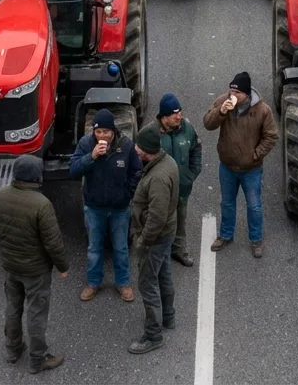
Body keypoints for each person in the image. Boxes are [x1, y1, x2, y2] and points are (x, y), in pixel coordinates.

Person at [0, 154, 68, 373]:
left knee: (13, 307)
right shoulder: (41, 204)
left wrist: (9, 250)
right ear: (37, 176)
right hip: (35, 271)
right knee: (36, 313)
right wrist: (62, 266)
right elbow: (53, 243)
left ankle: (13, 349)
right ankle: (38, 359)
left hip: (11, 266)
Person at [68, 108, 142, 303]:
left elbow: (137, 171)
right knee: (94, 248)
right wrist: (90, 157)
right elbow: (73, 170)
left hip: (119, 208)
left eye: (106, 132)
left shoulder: (125, 145)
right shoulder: (86, 144)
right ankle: (93, 283)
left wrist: (127, 193)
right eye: (98, 132)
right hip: (94, 207)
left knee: (120, 247)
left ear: (113, 131)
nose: (102, 136)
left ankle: (123, 283)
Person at [203, 72, 277, 257]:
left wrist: (255, 155)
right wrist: (221, 112)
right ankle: (226, 235)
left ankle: (256, 239)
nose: (233, 96)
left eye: (237, 93)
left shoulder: (262, 110)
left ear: (246, 94)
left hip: (251, 169)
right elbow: (208, 124)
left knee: (254, 206)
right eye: (231, 91)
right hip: (227, 166)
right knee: (227, 203)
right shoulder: (223, 101)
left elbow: (271, 136)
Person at [128, 124, 180, 355]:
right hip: (167, 234)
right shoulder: (166, 161)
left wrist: (143, 242)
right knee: (164, 274)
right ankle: (168, 316)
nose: (135, 150)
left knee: (147, 284)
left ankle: (153, 335)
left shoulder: (157, 177)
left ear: (147, 150)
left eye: (138, 147)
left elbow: (157, 216)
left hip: (155, 238)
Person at [157, 93, 203, 267]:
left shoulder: (187, 128)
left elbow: (196, 149)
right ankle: (160, 254)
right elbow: (140, 160)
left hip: (182, 188)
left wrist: (192, 174)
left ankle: (179, 250)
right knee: (160, 223)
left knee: (180, 221)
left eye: (180, 112)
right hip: (161, 191)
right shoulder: (152, 133)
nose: (179, 116)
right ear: (164, 117)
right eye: (174, 114)